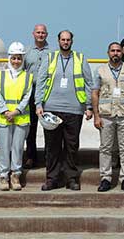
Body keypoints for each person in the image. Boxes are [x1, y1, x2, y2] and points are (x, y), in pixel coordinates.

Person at [35, 30, 93, 191]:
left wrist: (89, 106)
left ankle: (71, 178)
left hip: (74, 110)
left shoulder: (80, 59)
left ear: (72, 41)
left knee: (71, 146)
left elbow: (89, 83)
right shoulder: (50, 58)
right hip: (52, 109)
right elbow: (41, 81)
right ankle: (52, 179)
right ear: (58, 41)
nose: (65, 42)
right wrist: (38, 104)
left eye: (68, 40)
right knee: (52, 146)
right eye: (63, 39)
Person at [92, 42, 124, 193]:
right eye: (113, 51)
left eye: (118, 51)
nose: (116, 53)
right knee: (106, 148)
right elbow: (95, 93)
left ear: (122, 53)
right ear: (108, 53)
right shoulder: (100, 70)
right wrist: (96, 115)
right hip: (106, 114)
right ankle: (105, 178)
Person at [0, 42, 33, 191]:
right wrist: (5, 112)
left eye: (19, 58)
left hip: (20, 118)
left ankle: (15, 175)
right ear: (9, 58)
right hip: (3, 119)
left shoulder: (28, 77)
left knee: (17, 148)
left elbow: (27, 97)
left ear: (23, 60)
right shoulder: (0, 75)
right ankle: (3, 176)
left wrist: (16, 111)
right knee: (4, 148)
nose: (16, 61)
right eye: (14, 58)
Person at [23, 24, 50, 169]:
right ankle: (30, 157)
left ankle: (48, 157)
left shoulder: (52, 53)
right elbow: (21, 72)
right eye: (38, 32)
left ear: (47, 35)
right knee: (31, 126)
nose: (40, 35)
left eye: (43, 33)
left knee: (49, 126)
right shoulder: (26, 52)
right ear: (33, 34)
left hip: (47, 92)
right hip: (31, 91)